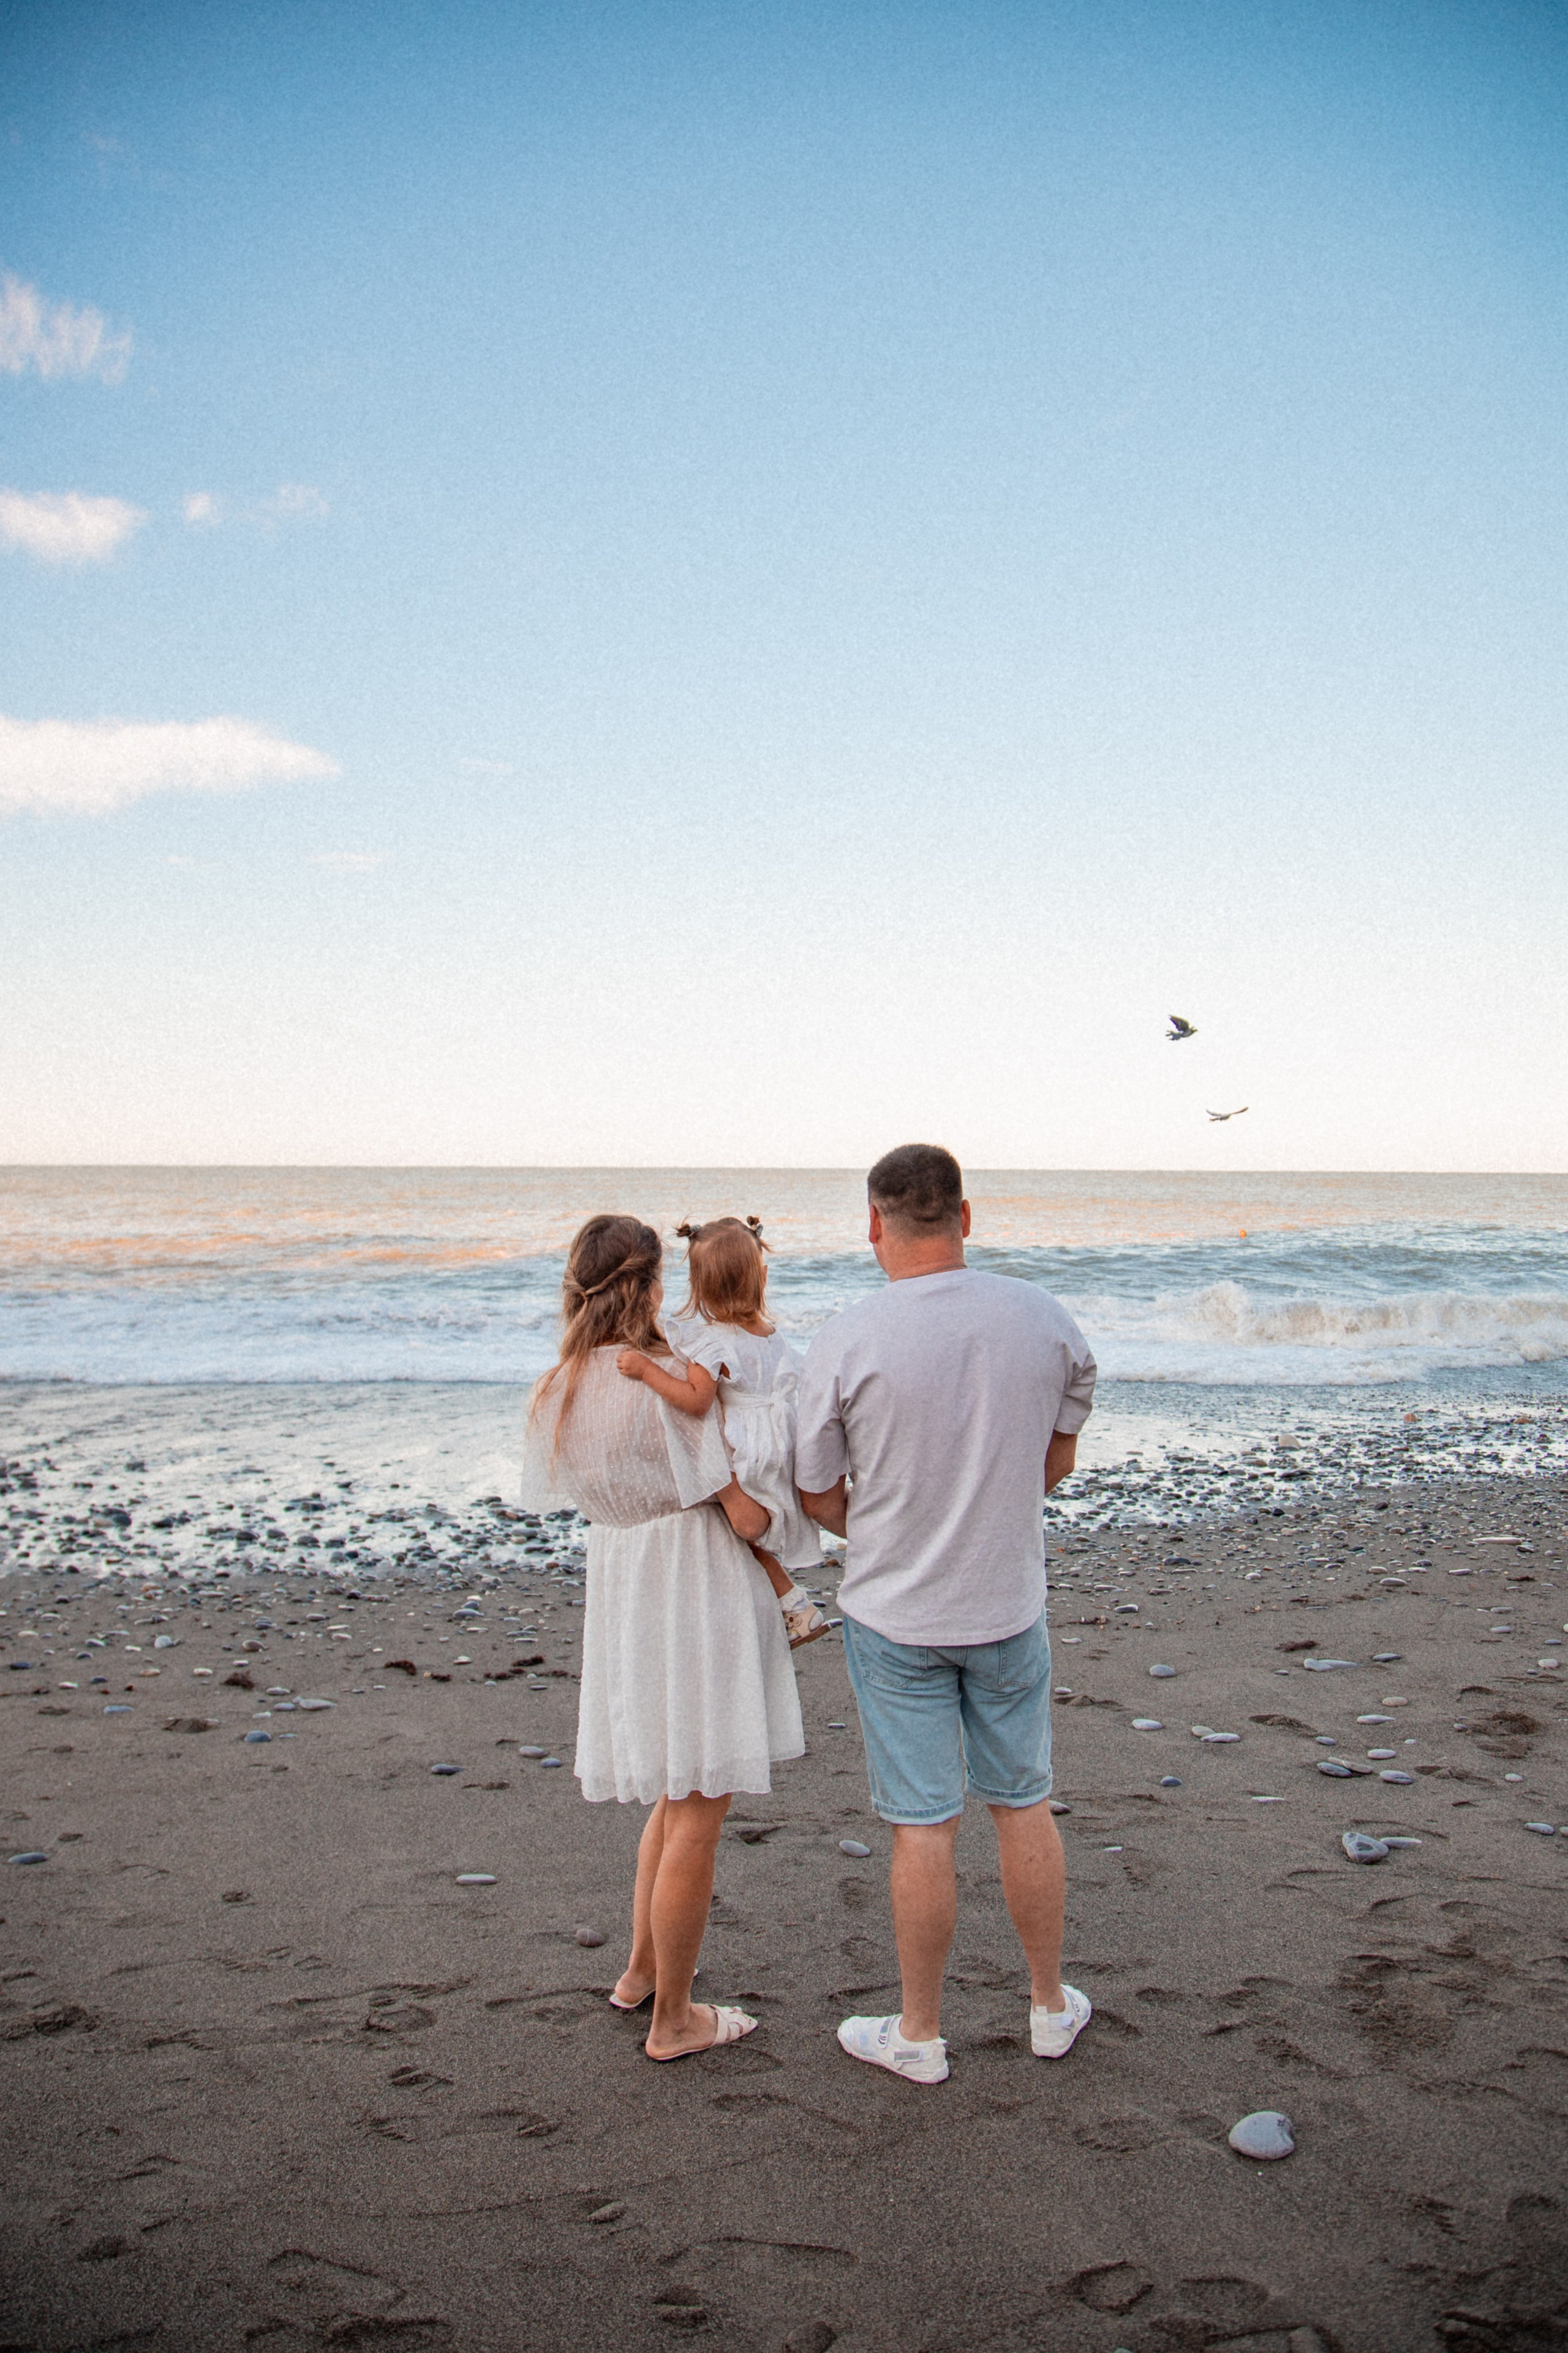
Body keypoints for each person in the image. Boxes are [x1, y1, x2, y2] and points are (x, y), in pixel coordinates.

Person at [794, 1144, 1097, 2087]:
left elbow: (815, 1490)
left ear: (874, 1224)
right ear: (966, 1217)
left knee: (923, 1824)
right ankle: (1049, 2005)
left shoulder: (848, 1337)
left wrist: (878, 1527)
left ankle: (919, 2033)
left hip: (897, 1612)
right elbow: (1057, 1459)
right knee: (1023, 1801)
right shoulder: (1045, 1320)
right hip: (1005, 1602)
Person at [521, 1214, 804, 2061]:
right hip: (696, 1583)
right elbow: (739, 1505)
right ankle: (675, 2018)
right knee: (698, 1807)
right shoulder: (666, 1379)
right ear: (646, 1288)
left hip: (625, 1586)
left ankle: (641, 1970)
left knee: (672, 1792)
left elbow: (564, 1494)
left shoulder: (559, 1389)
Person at [616, 1214, 829, 1649]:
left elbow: (695, 1400)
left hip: (744, 1455)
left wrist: (647, 1371)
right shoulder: (773, 1336)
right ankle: (791, 1605)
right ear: (762, 1277)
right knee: (748, 1535)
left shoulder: (712, 1342)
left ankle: (793, 1608)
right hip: (777, 1447)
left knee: (744, 1528)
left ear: (699, 1288)